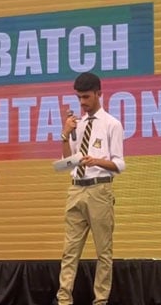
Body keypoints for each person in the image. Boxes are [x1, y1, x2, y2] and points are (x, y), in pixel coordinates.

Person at [56, 72, 126, 305]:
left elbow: (119, 164)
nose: (82, 102)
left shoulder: (112, 124)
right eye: (79, 98)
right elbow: (68, 162)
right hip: (76, 189)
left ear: (98, 93)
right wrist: (65, 134)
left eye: (86, 97)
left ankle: (101, 300)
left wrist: (96, 161)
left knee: (103, 252)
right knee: (69, 251)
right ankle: (64, 299)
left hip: (99, 190)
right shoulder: (78, 123)